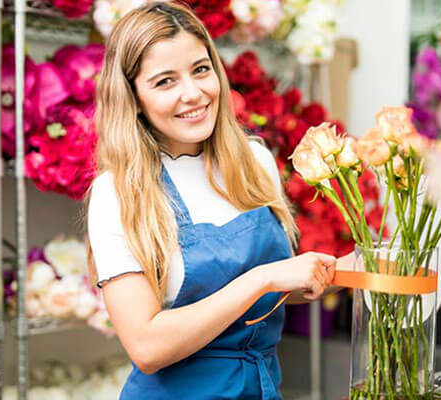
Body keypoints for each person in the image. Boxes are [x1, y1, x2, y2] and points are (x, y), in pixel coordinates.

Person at [86, 2, 353, 398]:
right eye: (165, 82)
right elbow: (147, 346)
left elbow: (277, 290)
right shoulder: (120, 191)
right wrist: (264, 277)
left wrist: (355, 270)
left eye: (200, 69)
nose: (192, 94)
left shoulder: (254, 161)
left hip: (261, 389)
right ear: (134, 97)